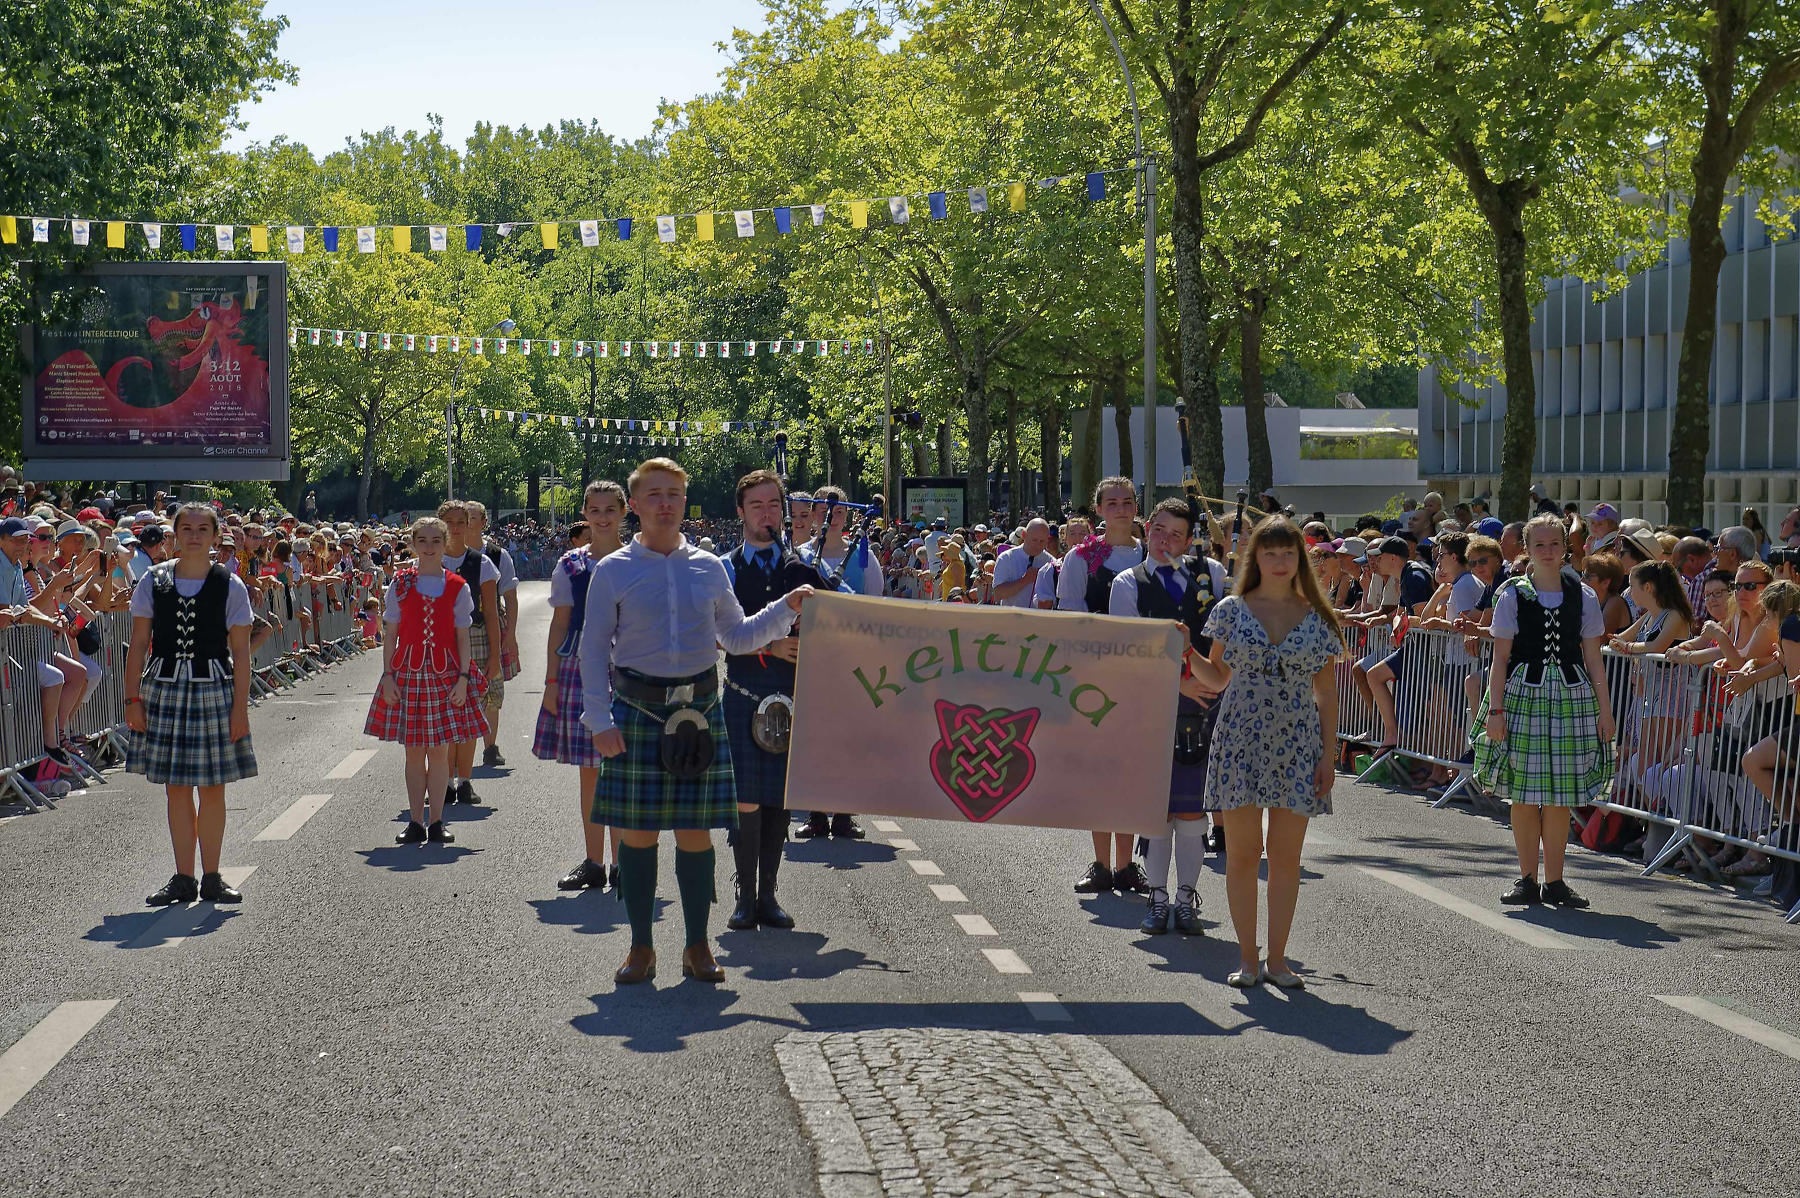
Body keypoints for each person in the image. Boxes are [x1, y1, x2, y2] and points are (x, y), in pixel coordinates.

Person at [579, 458, 814, 986]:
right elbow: (593, 651)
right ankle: (641, 947)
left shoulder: (708, 567)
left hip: (700, 710)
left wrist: (785, 607)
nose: (666, 503)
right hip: (636, 711)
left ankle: (696, 945)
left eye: (675, 495)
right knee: (636, 835)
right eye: (655, 495)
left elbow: (734, 636)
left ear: (686, 503)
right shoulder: (612, 570)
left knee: (695, 834)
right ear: (635, 505)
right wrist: (598, 720)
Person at [1192, 515, 1341, 988]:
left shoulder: (1318, 618)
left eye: (1288, 553)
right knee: (1241, 853)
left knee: (1285, 855)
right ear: (1255, 557)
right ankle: (1247, 959)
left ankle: (1278, 961)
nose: (1279, 562)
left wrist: (1328, 755)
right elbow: (1216, 679)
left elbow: (1327, 694)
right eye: (1270, 553)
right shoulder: (1231, 610)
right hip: (1239, 737)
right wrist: (1185, 653)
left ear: (1301, 559)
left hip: (1298, 742)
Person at [1471, 513, 1616, 909]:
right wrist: (1495, 711)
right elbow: (1500, 659)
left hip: (1572, 699)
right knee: (1523, 793)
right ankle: (1526, 878)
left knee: (1558, 796)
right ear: (1528, 550)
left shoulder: (1582, 594)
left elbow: (1594, 660)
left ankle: (1555, 880)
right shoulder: (1512, 594)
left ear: (1565, 548)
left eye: (1555, 545)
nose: (1549, 552)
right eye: (1540, 545)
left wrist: (1606, 711)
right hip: (1524, 697)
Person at [124, 504, 259, 906]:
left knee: (213, 786)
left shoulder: (229, 584)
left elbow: (241, 652)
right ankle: (183, 877)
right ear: (174, 535)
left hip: (213, 688)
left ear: (215, 536)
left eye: (203, 529)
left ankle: (213, 876)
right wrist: (132, 698)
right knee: (176, 787)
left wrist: (241, 708)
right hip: (164, 688)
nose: (195, 535)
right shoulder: (153, 580)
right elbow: (137, 645)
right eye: (186, 528)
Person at [721, 470, 835, 927]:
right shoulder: (724, 568)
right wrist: (769, 645)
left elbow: (842, 621)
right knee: (746, 797)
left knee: (779, 798)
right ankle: (744, 895)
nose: (766, 514)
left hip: (791, 696)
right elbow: (713, 635)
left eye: (774, 506)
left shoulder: (805, 569)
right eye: (757, 506)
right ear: (741, 513)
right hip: (743, 693)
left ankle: (768, 894)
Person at [1110, 499, 1228, 936]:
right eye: (1157, 530)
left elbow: (1225, 642)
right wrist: (1177, 684)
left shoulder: (1213, 575)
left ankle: (1185, 900)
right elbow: (1128, 650)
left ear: (1189, 538)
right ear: (1147, 528)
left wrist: (1210, 684)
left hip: (1204, 711)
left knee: (1193, 815)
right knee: (1156, 814)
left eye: (1175, 534)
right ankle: (1157, 899)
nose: (1164, 540)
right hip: (1151, 709)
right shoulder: (1127, 583)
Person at [364, 516, 486, 845]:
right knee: (414, 753)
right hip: (409, 673)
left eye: (436, 541)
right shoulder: (400, 584)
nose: (430, 547)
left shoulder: (457, 587)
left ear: (444, 543)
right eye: (423, 541)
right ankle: (415, 820)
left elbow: (463, 637)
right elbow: (390, 635)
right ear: (415, 544)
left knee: (441, 752)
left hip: (445, 674)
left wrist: (463, 677)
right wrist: (388, 676)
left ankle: (437, 821)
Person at [1060, 476, 1151, 896]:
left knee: (1133, 770)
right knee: (1098, 769)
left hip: (1144, 679)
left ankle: (1126, 864)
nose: (1120, 508)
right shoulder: (1083, 557)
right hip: (1095, 676)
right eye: (1111, 502)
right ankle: (1099, 863)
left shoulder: (1154, 554)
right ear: (1099, 509)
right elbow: (1071, 619)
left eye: (1127, 501)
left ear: (1136, 506)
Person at [538, 482, 628, 891]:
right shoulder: (571, 564)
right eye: (595, 510)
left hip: (631, 668)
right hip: (580, 668)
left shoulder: (638, 559)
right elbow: (559, 624)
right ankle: (594, 862)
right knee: (590, 773)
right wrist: (551, 682)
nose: (603, 517)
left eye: (611, 509)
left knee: (624, 769)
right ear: (586, 513)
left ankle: (626, 863)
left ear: (624, 511)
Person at [440, 501, 502, 805]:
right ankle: (443, 780)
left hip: (475, 638)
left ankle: (464, 780)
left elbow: (491, 612)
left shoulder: (482, 563)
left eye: (460, 521)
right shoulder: (429, 560)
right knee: (440, 714)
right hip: (437, 643)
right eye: (448, 521)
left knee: (468, 713)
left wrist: (495, 655)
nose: (454, 527)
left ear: (468, 525)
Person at [468, 501, 521, 768]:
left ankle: (490, 748)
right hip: (457, 628)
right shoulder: (445, 553)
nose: (466, 520)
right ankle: (458, 752)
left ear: (483, 522)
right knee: (460, 689)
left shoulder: (498, 555)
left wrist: (510, 633)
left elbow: (510, 598)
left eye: (472, 516)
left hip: (490, 627)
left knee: (492, 689)